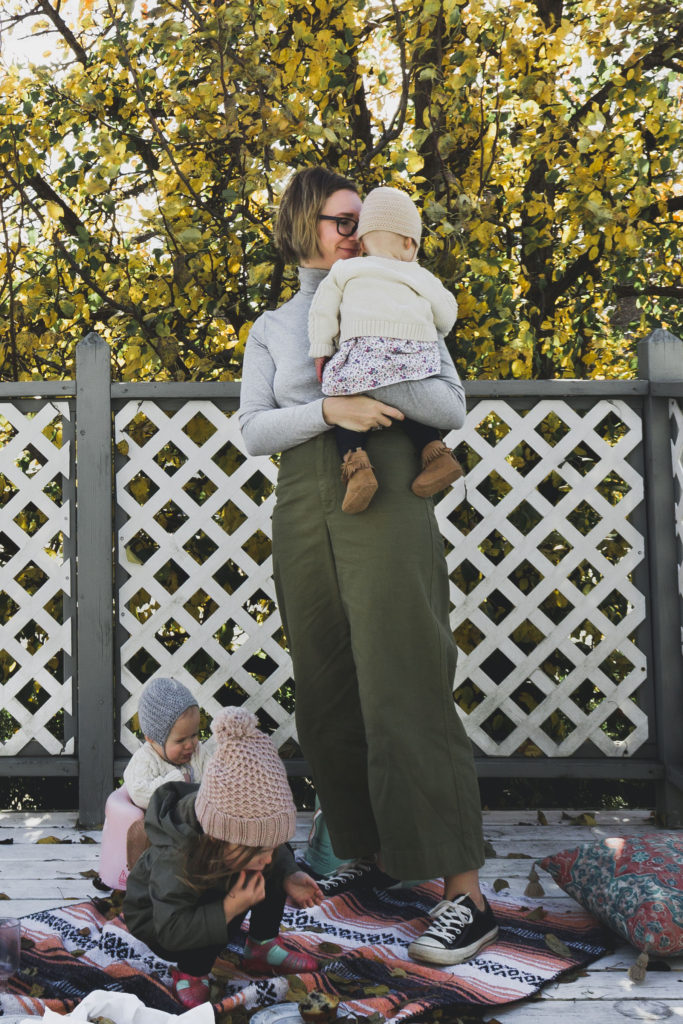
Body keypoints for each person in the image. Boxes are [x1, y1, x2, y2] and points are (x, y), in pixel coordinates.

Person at [238, 166, 498, 967]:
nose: (352, 232)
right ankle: (372, 857)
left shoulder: (402, 293)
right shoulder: (277, 327)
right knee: (326, 687)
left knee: (404, 681)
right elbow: (253, 428)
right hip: (304, 500)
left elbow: (451, 407)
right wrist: (327, 409)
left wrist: (377, 382)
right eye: (336, 220)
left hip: (385, 490)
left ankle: (465, 895)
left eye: (359, 219)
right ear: (301, 229)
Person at [123, 706, 322, 1008]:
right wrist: (229, 908)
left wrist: (289, 873)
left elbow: (268, 850)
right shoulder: (178, 855)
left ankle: (262, 945)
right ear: (219, 836)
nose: (266, 857)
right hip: (163, 923)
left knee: (273, 864)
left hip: (217, 879)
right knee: (218, 900)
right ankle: (192, 972)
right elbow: (173, 928)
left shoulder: (237, 834)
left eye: (271, 844)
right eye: (259, 849)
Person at [308, 186, 462, 514]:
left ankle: (358, 469)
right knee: (410, 404)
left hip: (363, 356)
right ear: (409, 243)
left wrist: (322, 349)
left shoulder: (345, 270)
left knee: (346, 402)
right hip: (414, 357)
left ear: (361, 243)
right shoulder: (419, 275)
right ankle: (436, 453)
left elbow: (322, 312)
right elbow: (447, 314)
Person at [123, 676, 211, 810]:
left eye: (194, 735)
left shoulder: (199, 753)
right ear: (153, 739)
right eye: (180, 740)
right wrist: (176, 782)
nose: (190, 745)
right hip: (162, 823)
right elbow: (139, 794)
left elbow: (215, 775)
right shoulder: (145, 759)